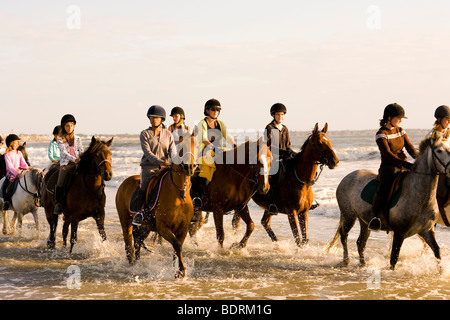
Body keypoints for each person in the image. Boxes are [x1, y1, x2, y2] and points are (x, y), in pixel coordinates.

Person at [368, 103, 418, 231]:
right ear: (389, 118)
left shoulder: (401, 130)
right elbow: (388, 155)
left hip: (403, 164)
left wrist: (420, 159)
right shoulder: (381, 134)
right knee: (385, 187)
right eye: (399, 118)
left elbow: (410, 148)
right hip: (389, 166)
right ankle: (375, 217)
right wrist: (405, 164)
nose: (401, 120)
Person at [132, 105, 177, 226]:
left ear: (162, 119)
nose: (154, 120)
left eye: (157, 118)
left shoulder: (168, 134)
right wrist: (160, 161)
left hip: (165, 168)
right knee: (144, 188)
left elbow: (172, 150)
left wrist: (176, 161)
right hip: (149, 168)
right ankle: (140, 213)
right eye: (152, 118)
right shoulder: (144, 134)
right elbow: (147, 152)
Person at [191, 98, 236, 209]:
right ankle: (197, 198)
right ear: (207, 111)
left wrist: (235, 145)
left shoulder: (220, 124)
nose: (215, 112)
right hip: (205, 153)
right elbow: (204, 139)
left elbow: (228, 137)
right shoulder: (202, 123)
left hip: (220, 151)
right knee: (199, 174)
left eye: (217, 110)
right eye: (213, 109)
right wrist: (213, 147)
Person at [263, 103, 296, 215]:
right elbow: (268, 146)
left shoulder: (285, 129)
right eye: (278, 115)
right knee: (275, 177)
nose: (280, 117)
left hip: (285, 157)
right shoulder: (269, 128)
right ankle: (272, 203)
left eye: (282, 115)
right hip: (273, 158)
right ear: (273, 115)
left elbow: (288, 145)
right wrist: (283, 152)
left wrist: (293, 153)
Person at [54, 114, 83, 214]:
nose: (69, 128)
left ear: (74, 126)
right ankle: (58, 203)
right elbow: (63, 153)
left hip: (77, 163)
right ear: (63, 126)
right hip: (66, 164)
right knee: (60, 181)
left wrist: (83, 158)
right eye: (67, 126)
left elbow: (81, 151)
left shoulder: (78, 138)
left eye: (71, 125)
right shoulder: (60, 139)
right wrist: (74, 159)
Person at [428, 105, 450, 212]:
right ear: (439, 119)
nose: (449, 122)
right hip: (437, 168)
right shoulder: (431, 135)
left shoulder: (448, 133)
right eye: (447, 120)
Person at [2, 134, 29, 210]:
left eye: (18, 143)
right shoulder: (7, 155)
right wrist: (16, 173)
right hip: (11, 174)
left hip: (20, 172)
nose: (17, 145)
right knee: (4, 187)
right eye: (15, 143)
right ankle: (6, 202)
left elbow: (23, 163)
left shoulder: (19, 153)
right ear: (10, 143)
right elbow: (10, 167)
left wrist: (27, 169)